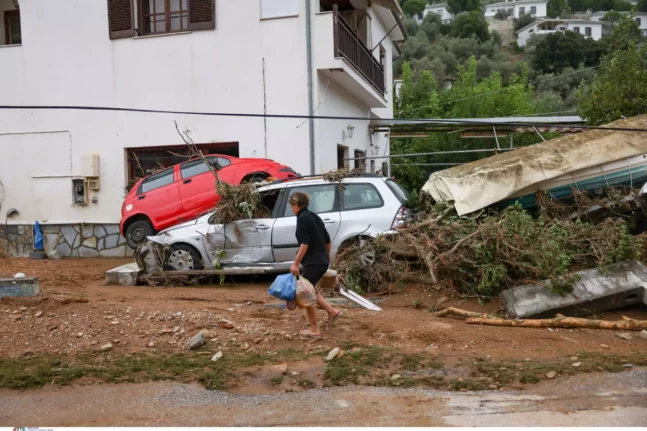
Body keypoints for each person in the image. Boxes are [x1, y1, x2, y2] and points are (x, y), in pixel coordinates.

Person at [288, 191, 342, 338]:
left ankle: (314, 329)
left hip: (313, 262)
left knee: (306, 294)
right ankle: (331, 311)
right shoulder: (314, 216)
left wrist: (295, 263)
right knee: (310, 289)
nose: (291, 208)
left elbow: (304, 244)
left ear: (297, 206)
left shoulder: (302, 219)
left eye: (292, 205)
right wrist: (326, 255)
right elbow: (327, 240)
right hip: (321, 260)